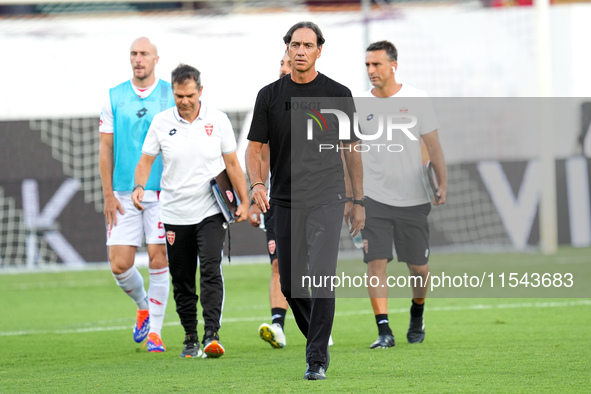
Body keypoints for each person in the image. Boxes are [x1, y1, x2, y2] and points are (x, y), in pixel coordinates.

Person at [246, 22, 365, 380]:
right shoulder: (268, 95)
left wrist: (358, 201)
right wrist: (255, 184)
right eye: (295, 44)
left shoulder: (338, 93)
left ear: (319, 50)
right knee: (289, 284)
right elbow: (254, 148)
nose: (300, 50)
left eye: (307, 45)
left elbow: (352, 151)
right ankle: (319, 334)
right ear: (287, 49)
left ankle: (316, 360)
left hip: (328, 199)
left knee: (322, 279)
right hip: (284, 200)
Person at [131, 64, 249, 359]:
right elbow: (146, 160)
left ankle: (211, 334)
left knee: (210, 270)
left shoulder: (218, 120)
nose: (184, 101)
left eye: (189, 95)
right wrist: (138, 187)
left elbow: (232, 164)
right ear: (172, 91)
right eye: (178, 95)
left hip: (211, 210)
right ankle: (190, 337)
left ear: (200, 91)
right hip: (173, 212)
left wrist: (244, 201)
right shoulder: (160, 122)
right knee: (182, 278)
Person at [357, 40, 447, 349]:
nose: (371, 70)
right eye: (367, 65)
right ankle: (384, 330)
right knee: (376, 262)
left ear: (393, 65)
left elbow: (434, 147)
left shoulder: (417, 99)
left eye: (377, 64)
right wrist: (352, 197)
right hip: (373, 198)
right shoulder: (358, 104)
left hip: (414, 199)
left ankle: (417, 310)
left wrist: (442, 182)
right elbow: (349, 154)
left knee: (418, 269)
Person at [98, 37, 174, 353]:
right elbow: (105, 147)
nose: (138, 58)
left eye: (144, 54)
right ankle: (144, 305)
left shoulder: (171, 94)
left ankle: (155, 332)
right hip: (123, 192)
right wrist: (107, 194)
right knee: (119, 264)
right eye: (133, 53)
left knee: (159, 257)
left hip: (162, 191)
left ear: (156, 59)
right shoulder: (115, 96)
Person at [249, 52, 291, 349]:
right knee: (278, 266)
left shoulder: (320, 101)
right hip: (277, 202)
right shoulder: (269, 101)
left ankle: (318, 323)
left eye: (288, 63)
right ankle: (278, 325)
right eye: (282, 63)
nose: (284, 68)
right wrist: (255, 196)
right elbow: (259, 153)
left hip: (313, 200)